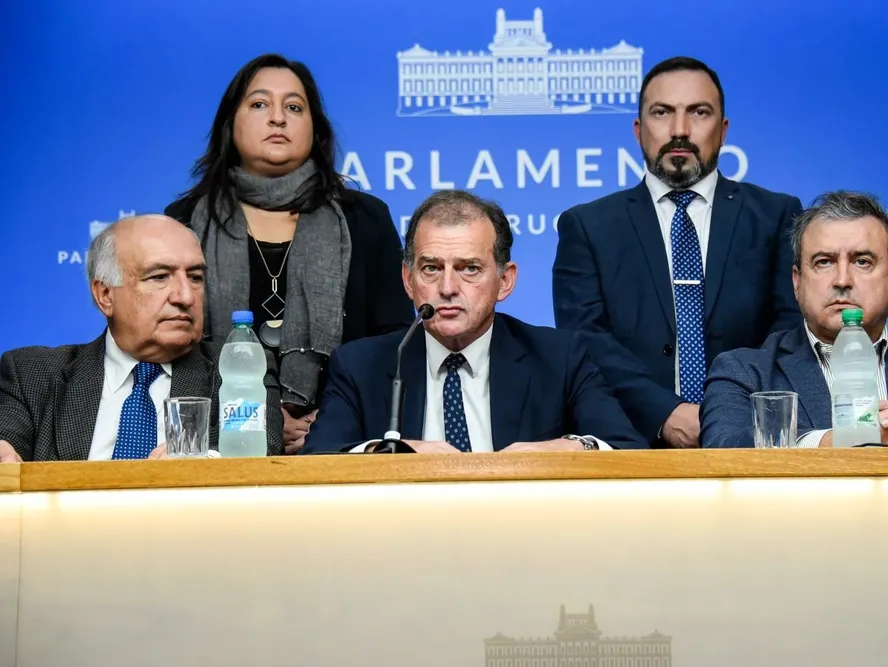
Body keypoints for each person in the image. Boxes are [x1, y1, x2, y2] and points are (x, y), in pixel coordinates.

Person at [164, 53, 413, 455]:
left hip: (345, 437)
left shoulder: (365, 219)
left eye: (294, 107)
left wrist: (333, 416)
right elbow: (171, 344)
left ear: (316, 130)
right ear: (231, 125)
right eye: (259, 104)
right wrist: (260, 420)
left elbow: (393, 343)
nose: (278, 118)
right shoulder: (185, 221)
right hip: (220, 439)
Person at [552, 56, 803, 449]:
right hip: (629, 444)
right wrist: (664, 412)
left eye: (698, 112)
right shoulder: (587, 226)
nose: (680, 130)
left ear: (722, 130)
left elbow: (789, 328)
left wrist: (727, 409)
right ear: (638, 130)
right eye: (662, 113)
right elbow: (584, 340)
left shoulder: (775, 215)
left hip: (753, 440)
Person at [302, 190, 647, 454]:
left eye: (470, 268)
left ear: (505, 280)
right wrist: (386, 453)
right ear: (408, 280)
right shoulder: (360, 365)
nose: (448, 288)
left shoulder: (559, 358)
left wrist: (570, 449)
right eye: (431, 268)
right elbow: (316, 464)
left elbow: (628, 450)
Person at [700, 191, 888, 447]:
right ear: (796, 281)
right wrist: (847, 440)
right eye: (824, 262)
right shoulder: (744, 373)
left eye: (862, 261)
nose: (842, 279)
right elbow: (724, 445)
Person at [0, 216, 284, 463]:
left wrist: (201, 464)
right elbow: (7, 444)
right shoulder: (31, 374)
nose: (185, 297)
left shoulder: (235, 369)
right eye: (160, 277)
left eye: (195, 277)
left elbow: (260, 455)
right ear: (105, 295)